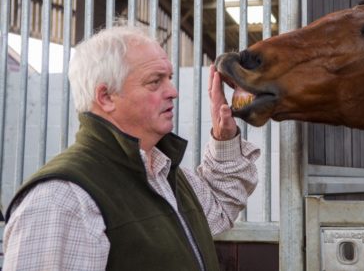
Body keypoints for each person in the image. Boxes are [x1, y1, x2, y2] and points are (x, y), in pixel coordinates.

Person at [2, 25, 260, 270]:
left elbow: (218, 206)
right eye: (154, 82)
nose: (173, 91)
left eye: (169, 78)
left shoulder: (160, 171)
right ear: (106, 97)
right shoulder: (61, 199)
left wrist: (224, 137)